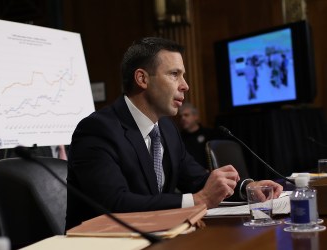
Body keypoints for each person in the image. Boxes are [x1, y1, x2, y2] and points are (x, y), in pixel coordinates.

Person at [65, 37, 283, 229]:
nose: (185, 86)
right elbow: (115, 204)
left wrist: (247, 188)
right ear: (142, 79)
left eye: (183, 76)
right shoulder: (97, 129)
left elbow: (197, 180)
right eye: (174, 74)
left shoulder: (167, 128)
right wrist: (198, 200)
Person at [178, 103, 216, 167]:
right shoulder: (179, 137)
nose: (183, 118)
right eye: (180, 116)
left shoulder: (209, 134)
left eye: (186, 115)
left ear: (195, 116)